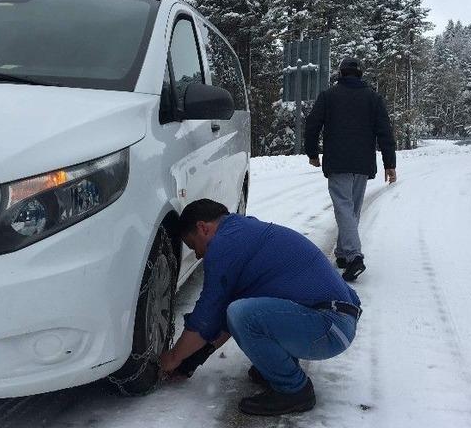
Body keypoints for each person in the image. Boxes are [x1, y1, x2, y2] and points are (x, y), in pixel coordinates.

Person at [159, 199, 362, 416]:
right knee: (239, 311)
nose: (198, 255)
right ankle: (277, 367)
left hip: (328, 325)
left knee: (241, 313)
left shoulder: (224, 244)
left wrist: (172, 358)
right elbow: (223, 320)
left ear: (202, 228)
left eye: (193, 246)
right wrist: (193, 359)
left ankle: (294, 390)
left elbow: (208, 315)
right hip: (334, 321)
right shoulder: (242, 232)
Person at [304, 56, 397, 282]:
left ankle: (354, 256)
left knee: (344, 209)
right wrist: (390, 164)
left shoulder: (329, 96)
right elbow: (385, 132)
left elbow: (312, 125)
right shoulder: (373, 98)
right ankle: (343, 254)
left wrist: (312, 153)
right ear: (360, 74)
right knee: (351, 210)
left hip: (338, 163)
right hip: (362, 164)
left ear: (341, 73)